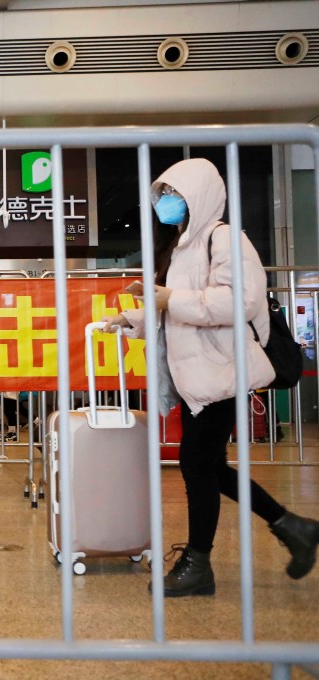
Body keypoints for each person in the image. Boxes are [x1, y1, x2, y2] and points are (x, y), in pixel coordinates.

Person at [102, 158, 318, 597]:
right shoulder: (181, 246)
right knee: (208, 465)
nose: (166, 203)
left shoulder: (225, 240)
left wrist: (168, 298)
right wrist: (134, 318)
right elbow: (177, 311)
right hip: (199, 375)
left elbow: (236, 302)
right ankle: (292, 526)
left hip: (223, 373)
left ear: (198, 195)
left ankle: (199, 563)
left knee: (197, 465)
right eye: (162, 195)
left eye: (174, 194)